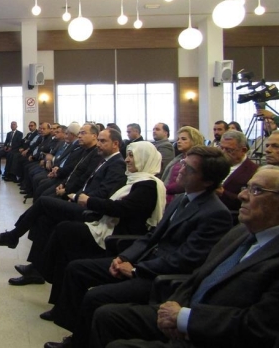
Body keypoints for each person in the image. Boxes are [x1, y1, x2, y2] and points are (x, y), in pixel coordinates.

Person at [44, 146, 233, 348]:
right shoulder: (182, 199)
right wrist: (125, 257)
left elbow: (185, 260)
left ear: (208, 181)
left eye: (189, 168)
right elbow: (151, 237)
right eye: (183, 164)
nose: (181, 169)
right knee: (77, 269)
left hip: (159, 278)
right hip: (142, 261)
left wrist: (136, 270)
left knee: (95, 297)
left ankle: (77, 344)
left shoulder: (215, 214)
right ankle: (77, 334)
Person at [90, 166, 279, 348]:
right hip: (185, 308)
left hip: (215, 334)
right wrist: (174, 307)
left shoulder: (222, 217)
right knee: (107, 316)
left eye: (257, 190)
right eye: (247, 187)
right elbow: (198, 276)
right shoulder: (240, 233)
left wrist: (185, 319)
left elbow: (258, 327)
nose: (242, 195)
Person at [0, 128, 127, 285]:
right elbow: (84, 180)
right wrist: (71, 190)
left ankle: (13, 236)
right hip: (80, 200)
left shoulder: (117, 164)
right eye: (98, 140)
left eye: (102, 141)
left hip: (90, 211)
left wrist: (75, 196)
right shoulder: (105, 159)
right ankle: (35, 270)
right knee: (44, 219)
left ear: (115, 144)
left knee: (44, 202)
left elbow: (103, 193)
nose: (99, 144)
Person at [37, 141, 166, 311]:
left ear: (144, 158)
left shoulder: (147, 185)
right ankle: (57, 300)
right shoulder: (135, 179)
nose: (127, 159)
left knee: (64, 231)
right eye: (127, 155)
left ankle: (43, 273)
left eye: (131, 156)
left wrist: (89, 201)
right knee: (63, 234)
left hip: (119, 238)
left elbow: (121, 208)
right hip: (111, 227)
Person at [161, 126, 205, 204]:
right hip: (167, 197)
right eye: (178, 139)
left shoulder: (198, 160)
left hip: (183, 199)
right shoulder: (178, 158)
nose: (179, 141)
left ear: (194, 141)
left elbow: (188, 183)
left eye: (183, 139)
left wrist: (163, 188)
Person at [217, 130, 258, 211]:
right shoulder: (216, 164)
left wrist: (222, 193)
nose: (223, 152)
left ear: (243, 150)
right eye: (221, 148)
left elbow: (250, 201)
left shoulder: (253, 171)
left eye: (229, 150)